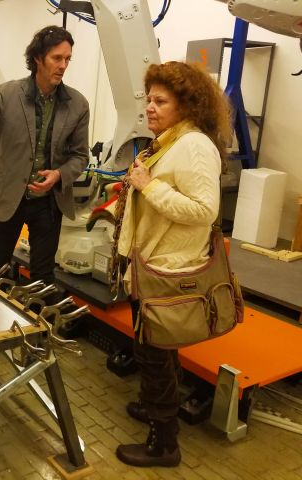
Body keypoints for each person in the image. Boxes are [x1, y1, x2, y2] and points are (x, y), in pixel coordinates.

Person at [114, 61, 232, 467]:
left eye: (160, 101)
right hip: (149, 265)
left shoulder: (195, 146)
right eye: (149, 99)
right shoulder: (168, 141)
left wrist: (150, 186)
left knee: (156, 355)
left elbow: (203, 210)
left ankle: (164, 444)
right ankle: (153, 407)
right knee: (152, 351)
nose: (150, 107)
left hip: (167, 271)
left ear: (187, 105)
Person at [0, 25, 90, 286]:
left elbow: (80, 156)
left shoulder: (77, 104)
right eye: (57, 58)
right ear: (37, 58)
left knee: (43, 278)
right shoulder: (7, 94)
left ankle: (36, 323)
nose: (63, 65)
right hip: (10, 196)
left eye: (68, 59)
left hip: (49, 202)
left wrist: (59, 174)